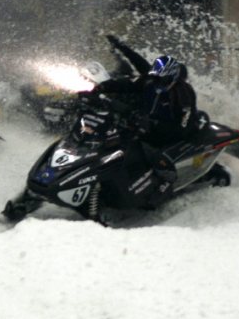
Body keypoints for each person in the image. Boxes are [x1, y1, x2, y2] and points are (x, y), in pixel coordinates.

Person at [80, 35, 200, 201]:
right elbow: (128, 84)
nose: (156, 82)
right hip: (142, 124)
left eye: (161, 79)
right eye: (155, 77)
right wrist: (101, 88)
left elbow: (183, 126)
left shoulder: (182, 94)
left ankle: (164, 182)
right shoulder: (150, 81)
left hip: (168, 134)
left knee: (145, 150)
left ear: (172, 78)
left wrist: (154, 125)